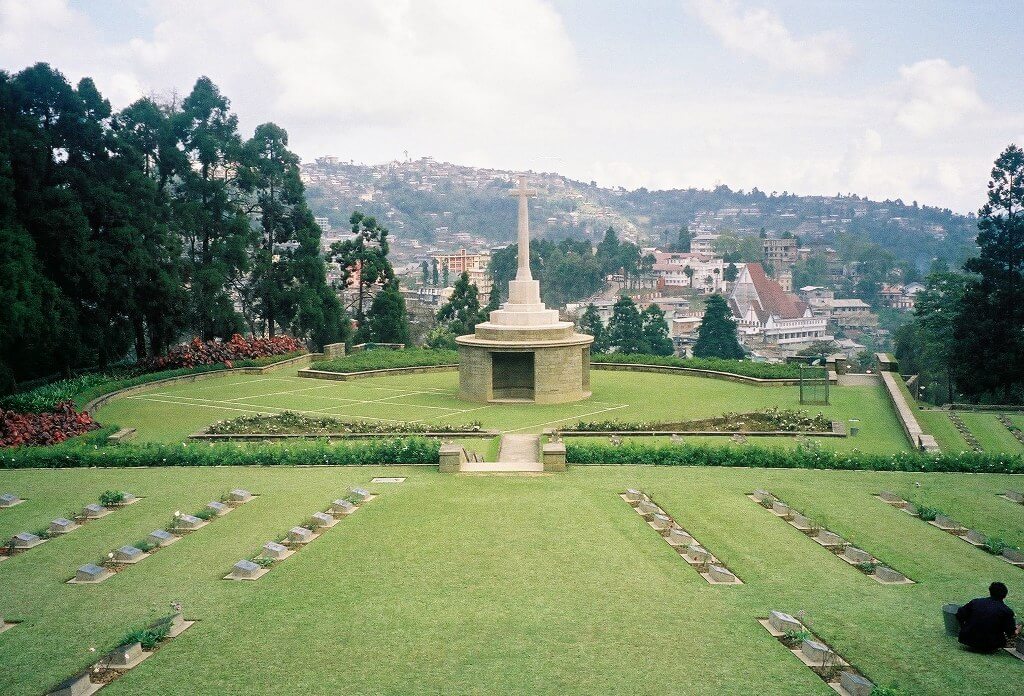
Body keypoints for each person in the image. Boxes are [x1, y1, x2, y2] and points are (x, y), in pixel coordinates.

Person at [956, 582, 1019, 653]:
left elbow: (959, 614)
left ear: (990, 591)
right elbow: (1011, 633)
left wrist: (964, 627)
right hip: (990, 644)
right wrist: (1018, 629)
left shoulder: (976, 602)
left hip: (967, 639)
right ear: (1005, 595)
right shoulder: (1006, 611)